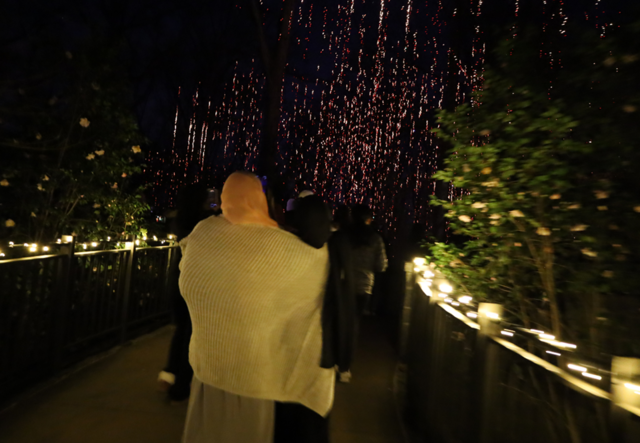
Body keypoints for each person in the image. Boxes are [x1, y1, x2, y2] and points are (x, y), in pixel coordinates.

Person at [179, 172, 335, 443]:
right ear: (261, 200)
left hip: (210, 364)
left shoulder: (203, 233)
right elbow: (315, 271)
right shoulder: (286, 247)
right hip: (258, 371)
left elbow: (190, 273)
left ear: (225, 198)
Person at [157, 183, 209, 403]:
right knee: (192, 332)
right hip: (196, 279)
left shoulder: (180, 220)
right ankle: (182, 383)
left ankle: (171, 372)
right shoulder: (204, 223)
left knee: (182, 329)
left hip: (179, 274)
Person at [348, 205, 388, 316]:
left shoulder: (344, 235)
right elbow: (381, 265)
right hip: (364, 285)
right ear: (369, 219)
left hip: (344, 283)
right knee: (356, 319)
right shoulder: (375, 239)